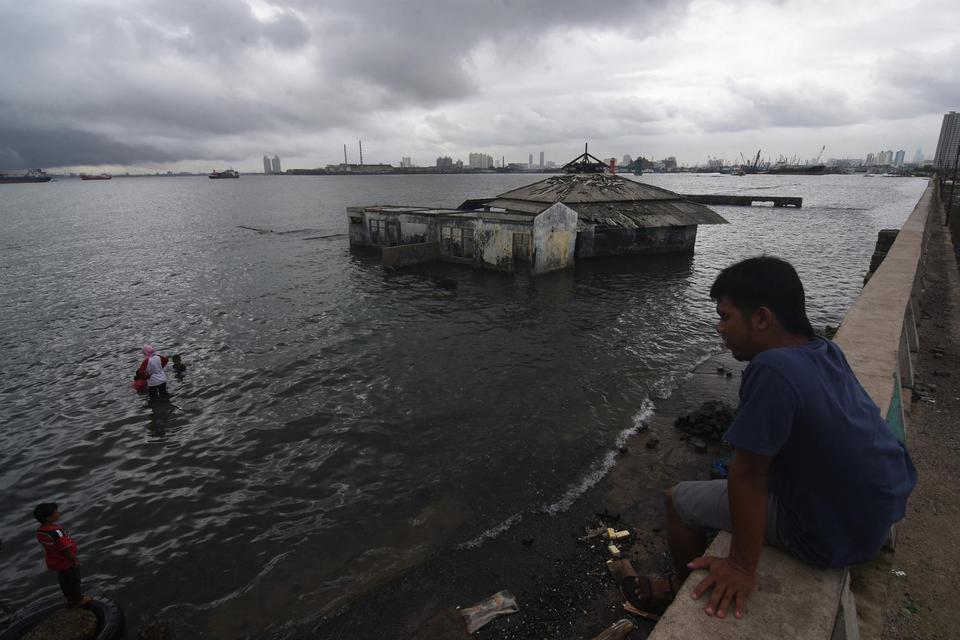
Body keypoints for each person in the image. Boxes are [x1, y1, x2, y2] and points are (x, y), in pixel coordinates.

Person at [629, 256, 917, 620]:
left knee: (678, 501)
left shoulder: (771, 369)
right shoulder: (823, 349)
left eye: (725, 317)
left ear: (762, 318)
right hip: (877, 512)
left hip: (828, 536)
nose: (719, 328)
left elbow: (748, 475)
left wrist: (741, 566)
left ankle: (675, 591)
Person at [34, 502, 92, 608]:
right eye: (56, 512)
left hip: (56, 562)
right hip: (66, 561)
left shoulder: (40, 531)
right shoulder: (55, 532)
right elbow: (64, 549)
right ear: (48, 518)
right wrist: (74, 560)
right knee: (73, 581)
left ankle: (70, 599)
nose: (58, 513)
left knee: (64, 581)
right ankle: (78, 600)